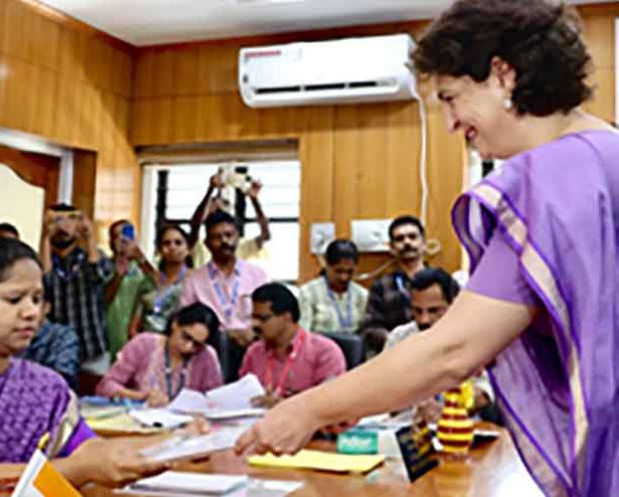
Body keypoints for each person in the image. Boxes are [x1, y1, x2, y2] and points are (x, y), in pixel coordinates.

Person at [236, 2, 619, 496]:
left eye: (451, 97)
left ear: (502, 76)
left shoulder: (548, 182)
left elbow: (451, 351)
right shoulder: (607, 153)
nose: (450, 123)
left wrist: (307, 408)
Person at [0, 238, 167, 495]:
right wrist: (80, 469)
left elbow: (89, 450)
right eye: (14, 299)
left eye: (37, 299)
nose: (31, 312)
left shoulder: (44, 384)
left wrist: (169, 446)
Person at [385, 268, 494, 417]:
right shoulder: (399, 338)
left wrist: (452, 406)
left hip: (458, 427)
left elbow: (485, 392)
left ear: (454, 304)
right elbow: (383, 391)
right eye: (417, 311)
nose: (424, 320)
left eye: (434, 310)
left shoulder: (473, 339)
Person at [180, 210, 268, 382]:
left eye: (229, 235)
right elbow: (186, 321)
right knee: (220, 343)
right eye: (217, 237)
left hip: (252, 341)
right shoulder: (194, 279)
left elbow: (270, 313)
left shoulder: (257, 275)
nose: (224, 241)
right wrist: (226, 333)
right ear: (207, 244)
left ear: (238, 237)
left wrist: (253, 330)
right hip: (212, 346)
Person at [241, 283, 346, 409]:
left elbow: (330, 402)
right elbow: (243, 396)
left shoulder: (325, 351)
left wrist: (286, 405)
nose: (255, 324)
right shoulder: (254, 352)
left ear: (287, 317)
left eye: (263, 318)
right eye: (253, 318)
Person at [96, 303, 223, 406]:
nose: (188, 346)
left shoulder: (206, 356)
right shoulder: (144, 344)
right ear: (175, 323)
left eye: (197, 345)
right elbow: (106, 386)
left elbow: (215, 401)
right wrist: (141, 396)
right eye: (186, 337)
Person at [41, 204, 111, 376]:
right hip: (55, 350)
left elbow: (98, 276)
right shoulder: (41, 260)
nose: (62, 226)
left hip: (92, 347)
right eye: (57, 220)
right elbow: (43, 284)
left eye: (70, 219)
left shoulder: (94, 256)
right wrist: (45, 238)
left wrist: (89, 237)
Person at [359, 215, 426, 356]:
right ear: (392, 247)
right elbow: (370, 328)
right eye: (400, 239)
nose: (407, 242)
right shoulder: (381, 286)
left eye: (412, 237)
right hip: (395, 356)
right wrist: (396, 341)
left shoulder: (442, 281)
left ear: (423, 243)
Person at [188, 170, 271, 268]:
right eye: (213, 204)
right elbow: (195, 224)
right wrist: (210, 190)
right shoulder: (200, 246)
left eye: (225, 203)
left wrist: (254, 200)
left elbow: (265, 235)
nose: (218, 206)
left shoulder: (240, 245)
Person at [104, 220, 158, 359]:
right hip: (110, 335)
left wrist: (141, 258)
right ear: (111, 241)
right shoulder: (104, 264)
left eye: (128, 236)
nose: (123, 241)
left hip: (138, 333)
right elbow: (104, 299)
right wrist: (118, 275)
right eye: (118, 237)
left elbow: (162, 287)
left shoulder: (144, 266)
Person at [129, 224, 190, 336]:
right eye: (166, 243)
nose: (172, 247)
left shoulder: (193, 281)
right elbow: (133, 326)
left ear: (187, 249)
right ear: (159, 250)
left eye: (178, 243)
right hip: (146, 344)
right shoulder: (148, 282)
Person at [298, 240, 368, 334]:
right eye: (339, 271)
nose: (344, 277)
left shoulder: (362, 295)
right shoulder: (308, 293)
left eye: (349, 272)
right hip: (319, 346)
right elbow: (303, 334)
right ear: (326, 265)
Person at [20, 284, 80, 390]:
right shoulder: (4, 335)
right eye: (16, 302)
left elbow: (61, 380)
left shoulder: (63, 336)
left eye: (35, 301)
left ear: (47, 307)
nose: (27, 310)